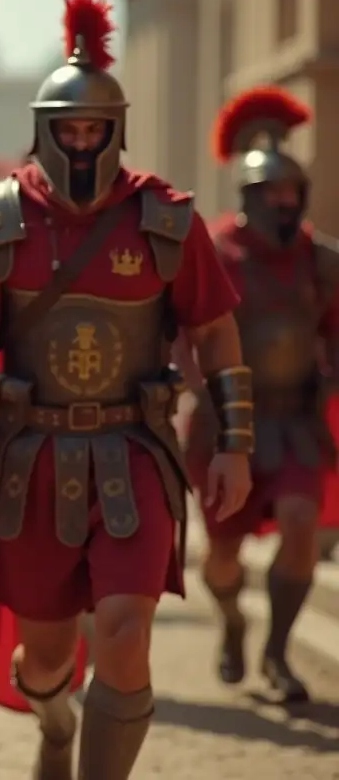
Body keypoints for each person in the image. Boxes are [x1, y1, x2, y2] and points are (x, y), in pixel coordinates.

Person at [0, 0, 253, 780]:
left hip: (134, 451)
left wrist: (233, 446)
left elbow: (217, 334)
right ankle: (53, 723)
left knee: (122, 630)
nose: (82, 143)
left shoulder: (165, 221)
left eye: (95, 130)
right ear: (46, 131)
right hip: (28, 463)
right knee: (47, 658)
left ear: (116, 132)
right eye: (69, 129)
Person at [180, 86, 338, 702]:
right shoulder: (216, 253)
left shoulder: (320, 261)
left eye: (290, 193)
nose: (282, 203)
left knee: (301, 521)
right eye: (271, 193)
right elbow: (187, 334)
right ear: (248, 197)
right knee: (222, 555)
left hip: (294, 418)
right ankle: (233, 619)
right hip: (225, 425)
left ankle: (277, 653)